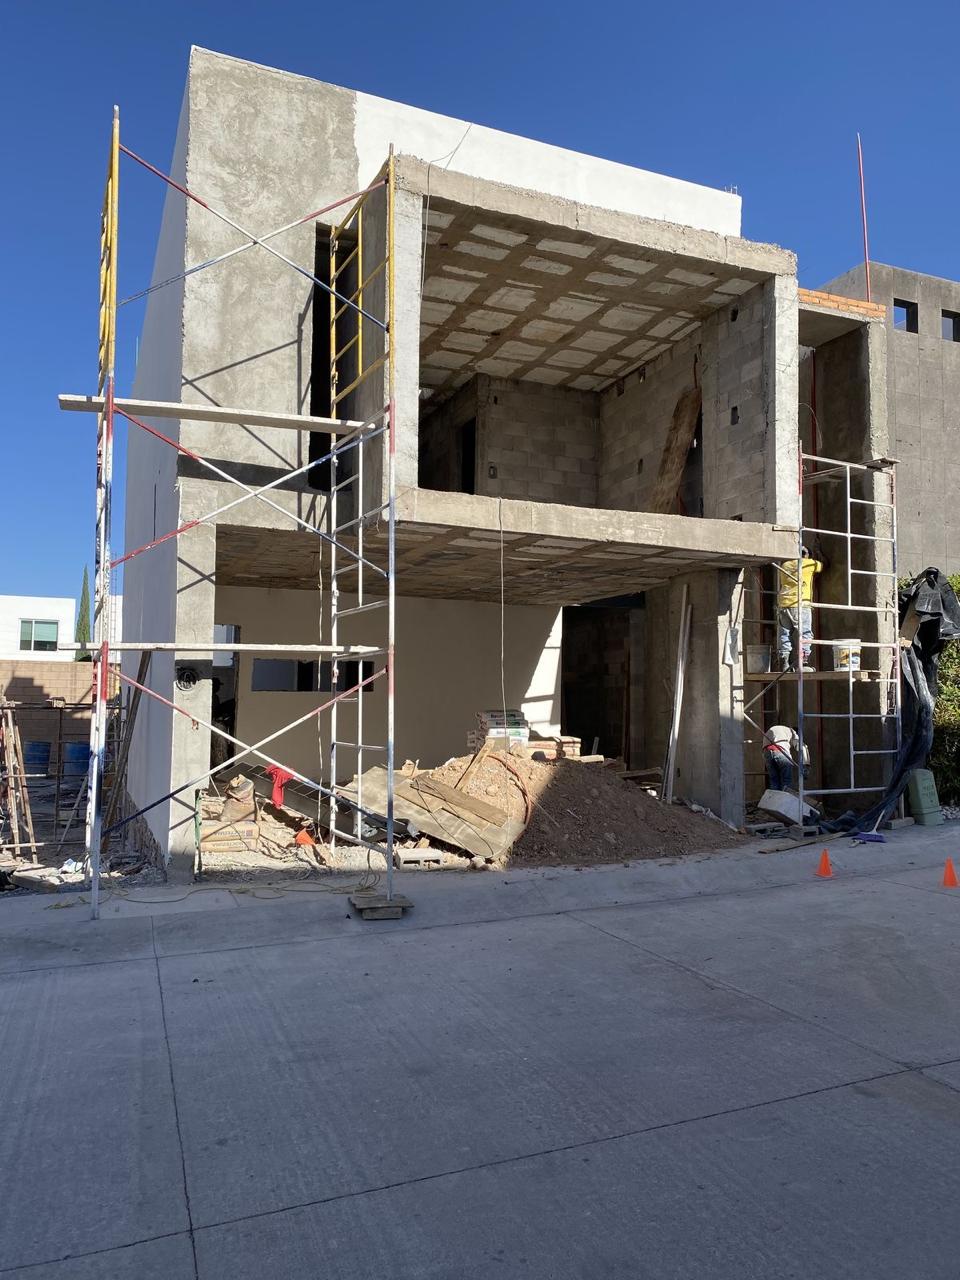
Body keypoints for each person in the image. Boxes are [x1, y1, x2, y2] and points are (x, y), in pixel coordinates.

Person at [776, 546, 823, 672]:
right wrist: (818, 552)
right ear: (806, 555)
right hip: (800, 604)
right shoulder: (808, 564)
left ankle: (784, 663)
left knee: (785, 634)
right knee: (805, 633)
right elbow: (824, 565)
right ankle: (804, 663)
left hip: (783, 604)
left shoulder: (784, 565)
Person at [763, 724, 809, 791]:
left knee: (774, 781)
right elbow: (802, 747)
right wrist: (805, 765)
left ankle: (776, 800)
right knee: (787, 781)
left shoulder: (780, 730)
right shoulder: (793, 732)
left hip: (766, 753)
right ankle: (785, 799)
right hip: (780, 751)